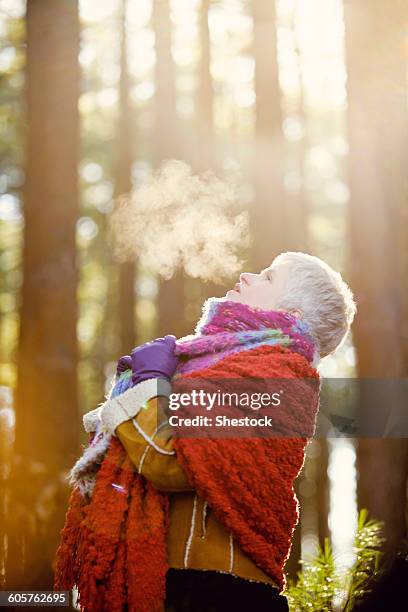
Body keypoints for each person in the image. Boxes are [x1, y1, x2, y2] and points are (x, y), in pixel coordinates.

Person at [55, 251, 356, 612]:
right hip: (176, 584)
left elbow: (170, 461)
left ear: (292, 315)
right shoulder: (215, 363)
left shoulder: (281, 377)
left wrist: (149, 385)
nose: (247, 275)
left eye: (268, 277)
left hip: (215, 592)